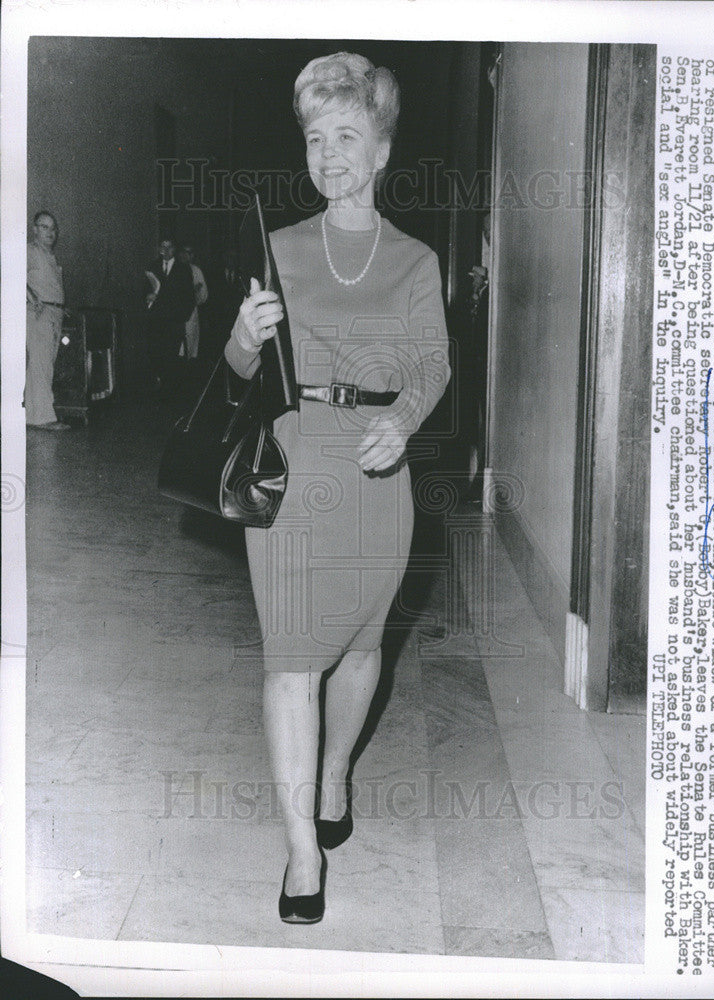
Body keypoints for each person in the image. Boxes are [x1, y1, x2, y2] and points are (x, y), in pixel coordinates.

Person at [224, 52, 450, 923]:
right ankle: (301, 853)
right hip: (290, 469)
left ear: (382, 149)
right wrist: (244, 338)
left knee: (359, 650)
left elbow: (431, 363)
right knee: (289, 664)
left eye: (346, 136)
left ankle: (334, 774)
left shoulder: (414, 260)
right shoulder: (276, 248)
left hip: (373, 466)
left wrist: (405, 422)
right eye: (316, 138)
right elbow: (239, 372)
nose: (328, 155)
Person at [25, 211, 70, 429]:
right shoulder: (30, 251)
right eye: (44, 227)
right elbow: (12, 274)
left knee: (45, 365)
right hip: (38, 314)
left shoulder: (49, 255)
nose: (50, 232)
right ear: (34, 229)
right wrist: (32, 297)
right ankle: (42, 418)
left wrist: (61, 307)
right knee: (41, 364)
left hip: (54, 313)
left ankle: (34, 415)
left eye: (53, 228)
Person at [145, 238, 195, 396]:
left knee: (172, 356)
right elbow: (143, 290)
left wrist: (182, 318)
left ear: (175, 249)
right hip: (156, 321)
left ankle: (170, 391)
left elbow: (189, 298)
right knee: (156, 353)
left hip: (174, 322)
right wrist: (147, 297)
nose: (165, 251)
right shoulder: (152, 267)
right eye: (162, 247)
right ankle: (159, 385)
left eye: (170, 247)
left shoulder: (183, 269)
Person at [177, 244, 208, 361]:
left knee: (190, 349)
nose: (185, 256)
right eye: (184, 252)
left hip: (191, 315)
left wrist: (193, 294)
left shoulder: (196, 271)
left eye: (189, 253)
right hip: (176, 316)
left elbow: (203, 295)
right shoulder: (174, 269)